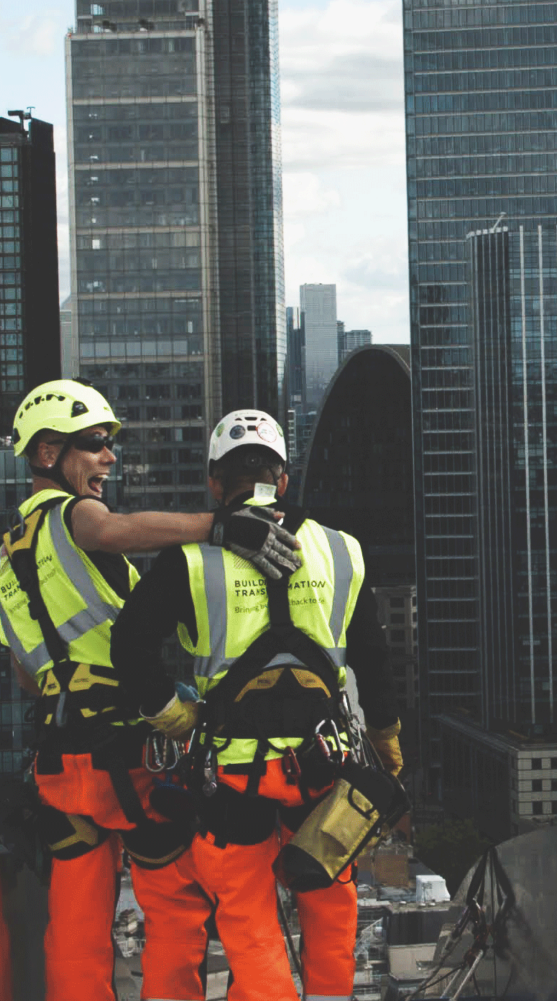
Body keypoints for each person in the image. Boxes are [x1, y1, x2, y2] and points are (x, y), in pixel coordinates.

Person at [0, 380, 302, 1001]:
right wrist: (219, 528)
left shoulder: (8, 556)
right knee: (175, 910)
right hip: (130, 761)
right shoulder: (73, 515)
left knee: (77, 928)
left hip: (63, 764)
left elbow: (26, 674)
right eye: (98, 445)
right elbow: (114, 531)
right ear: (49, 453)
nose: (110, 458)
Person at [110, 409, 403, 1001]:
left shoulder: (191, 557)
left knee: (249, 921)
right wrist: (387, 738)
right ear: (284, 479)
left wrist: (171, 713)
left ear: (216, 484)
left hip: (236, 775)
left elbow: (130, 644)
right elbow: (374, 657)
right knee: (330, 908)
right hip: (325, 772)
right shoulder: (341, 550)